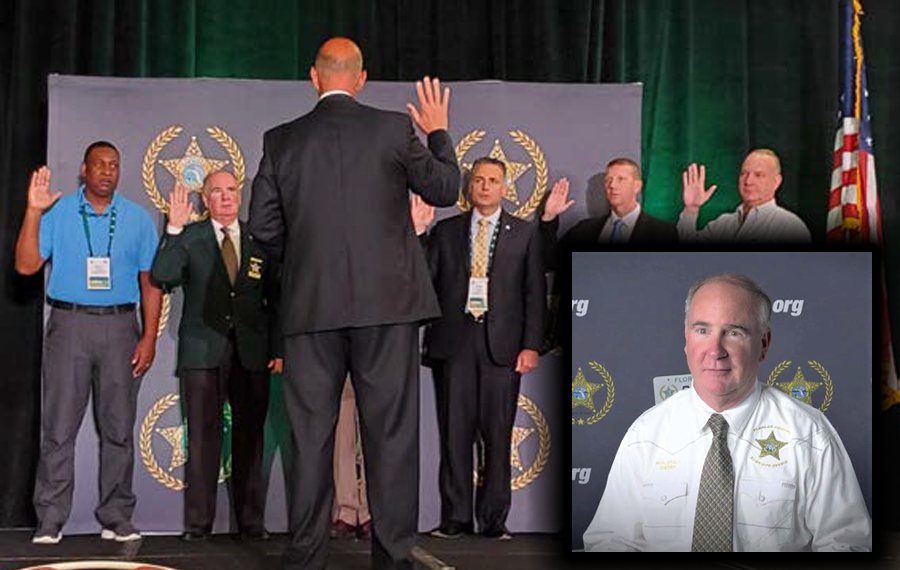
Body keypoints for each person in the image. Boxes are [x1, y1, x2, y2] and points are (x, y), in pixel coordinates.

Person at [248, 37, 460, 570]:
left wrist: (303, 265)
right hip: (387, 308)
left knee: (310, 437)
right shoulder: (393, 128)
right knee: (390, 435)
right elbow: (444, 187)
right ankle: (392, 558)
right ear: (361, 79)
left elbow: (265, 229)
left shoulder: (281, 140)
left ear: (314, 78)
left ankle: (306, 559)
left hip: (308, 309)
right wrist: (438, 131)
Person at [582, 274, 872, 552]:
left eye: (734, 333)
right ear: (687, 339)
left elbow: (847, 544)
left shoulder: (809, 433)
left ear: (764, 345)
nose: (715, 350)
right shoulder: (646, 434)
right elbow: (611, 542)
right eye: (703, 330)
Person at [14, 141, 162, 544]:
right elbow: (26, 264)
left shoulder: (137, 218)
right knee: (59, 427)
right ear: (84, 170)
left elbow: (151, 283)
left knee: (119, 428)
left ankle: (116, 515)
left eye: (113, 165)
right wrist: (32, 211)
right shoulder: (58, 211)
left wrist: (148, 336)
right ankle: (50, 518)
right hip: (69, 324)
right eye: (98, 164)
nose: (106, 171)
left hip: (120, 328)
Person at [413, 157, 546, 541]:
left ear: (505, 188)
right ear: (469, 188)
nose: (485, 186)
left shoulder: (525, 233)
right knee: (454, 433)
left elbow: (534, 293)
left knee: (497, 434)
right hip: (454, 343)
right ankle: (454, 518)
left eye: (493, 181)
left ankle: (492, 521)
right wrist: (420, 234)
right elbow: (425, 279)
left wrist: (531, 345)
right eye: (479, 181)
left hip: (502, 347)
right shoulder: (446, 230)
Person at [151, 171, 282, 542]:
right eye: (216, 192)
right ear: (205, 200)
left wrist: (277, 350)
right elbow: (163, 275)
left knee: (251, 440)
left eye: (231, 191)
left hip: (252, 355)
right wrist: (173, 229)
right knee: (203, 440)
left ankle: (251, 524)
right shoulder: (190, 238)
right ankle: (198, 526)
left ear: (239, 197)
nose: (225, 198)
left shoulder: (260, 241)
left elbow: (276, 300)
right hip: (202, 354)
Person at [677, 149, 811, 242]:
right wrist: (691, 209)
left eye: (758, 175)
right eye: (744, 174)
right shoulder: (723, 224)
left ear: (776, 181)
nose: (748, 181)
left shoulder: (791, 227)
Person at [541, 157, 677, 246]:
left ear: (637, 186)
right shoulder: (584, 230)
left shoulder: (662, 233)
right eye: (608, 180)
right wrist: (549, 217)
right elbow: (550, 262)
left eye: (620, 179)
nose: (612, 185)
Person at [330, 376, 372, 540]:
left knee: (372, 431)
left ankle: (368, 511)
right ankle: (346, 510)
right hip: (340, 358)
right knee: (342, 430)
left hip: (375, 357)